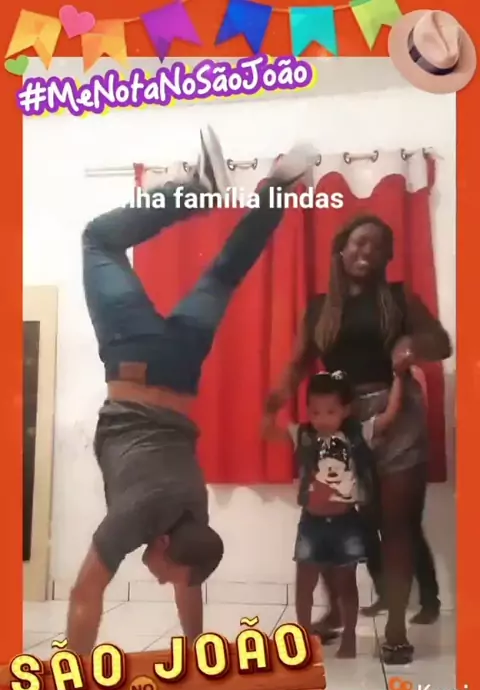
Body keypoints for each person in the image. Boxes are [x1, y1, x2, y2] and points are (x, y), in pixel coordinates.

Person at [66, 127, 315, 654]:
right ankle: (197, 187)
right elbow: (85, 594)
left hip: (182, 368)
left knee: (225, 274)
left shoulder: (192, 515)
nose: (159, 578)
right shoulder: (132, 520)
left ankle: (279, 187)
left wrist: (197, 647)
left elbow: (189, 580)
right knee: (98, 240)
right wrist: (73, 680)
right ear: (161, 542)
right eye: (164, 571)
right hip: (135, 363)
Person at [264, 214, 451, 665]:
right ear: (341, 249)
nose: (367, 252)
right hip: (344, 423)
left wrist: (413, 345)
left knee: (398, 524)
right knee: (344, 524)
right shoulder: (320, 308)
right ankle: (336, 611)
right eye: (359, 243)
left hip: (397, 414)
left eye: (378, 246)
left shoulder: (399, 298)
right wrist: (274, 402)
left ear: (388, 257)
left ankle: (395, 629)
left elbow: (441, 342)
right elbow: (298, 363)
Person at [263, 370, 403, 658]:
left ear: (345, 410)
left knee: (345, 584)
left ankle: (349, 636)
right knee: (304, 583)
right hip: (311, 523)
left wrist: (400, 379)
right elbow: (268, 433)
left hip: (345, 523)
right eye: (315, 412)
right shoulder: (303, 434)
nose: (322, 419)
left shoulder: (356, 434)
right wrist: (270, 410)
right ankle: (302, 638)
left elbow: (388, 418)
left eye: (330, 411)